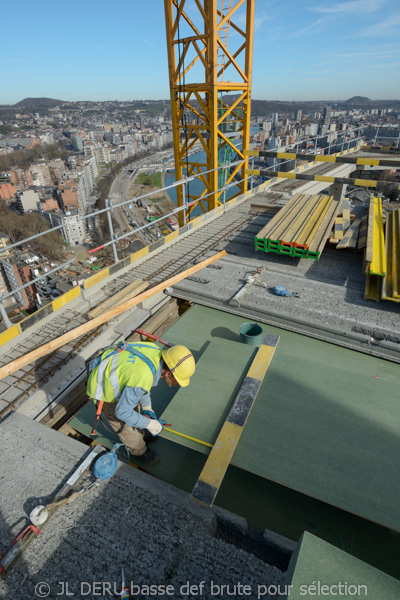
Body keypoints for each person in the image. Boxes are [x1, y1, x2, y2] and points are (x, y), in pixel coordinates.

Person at [86, 341, 195, 465]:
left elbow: (142, 385)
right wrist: (150, 424)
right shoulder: (142, 377)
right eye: (178, 380)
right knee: (124, 425)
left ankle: (141, 433)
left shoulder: (155, 352)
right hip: (104, 390)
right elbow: (122, 412)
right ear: (168, 373)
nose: (178, 384)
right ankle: (138, 451)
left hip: (114, 373)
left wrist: (147, 407)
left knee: (134, 413)